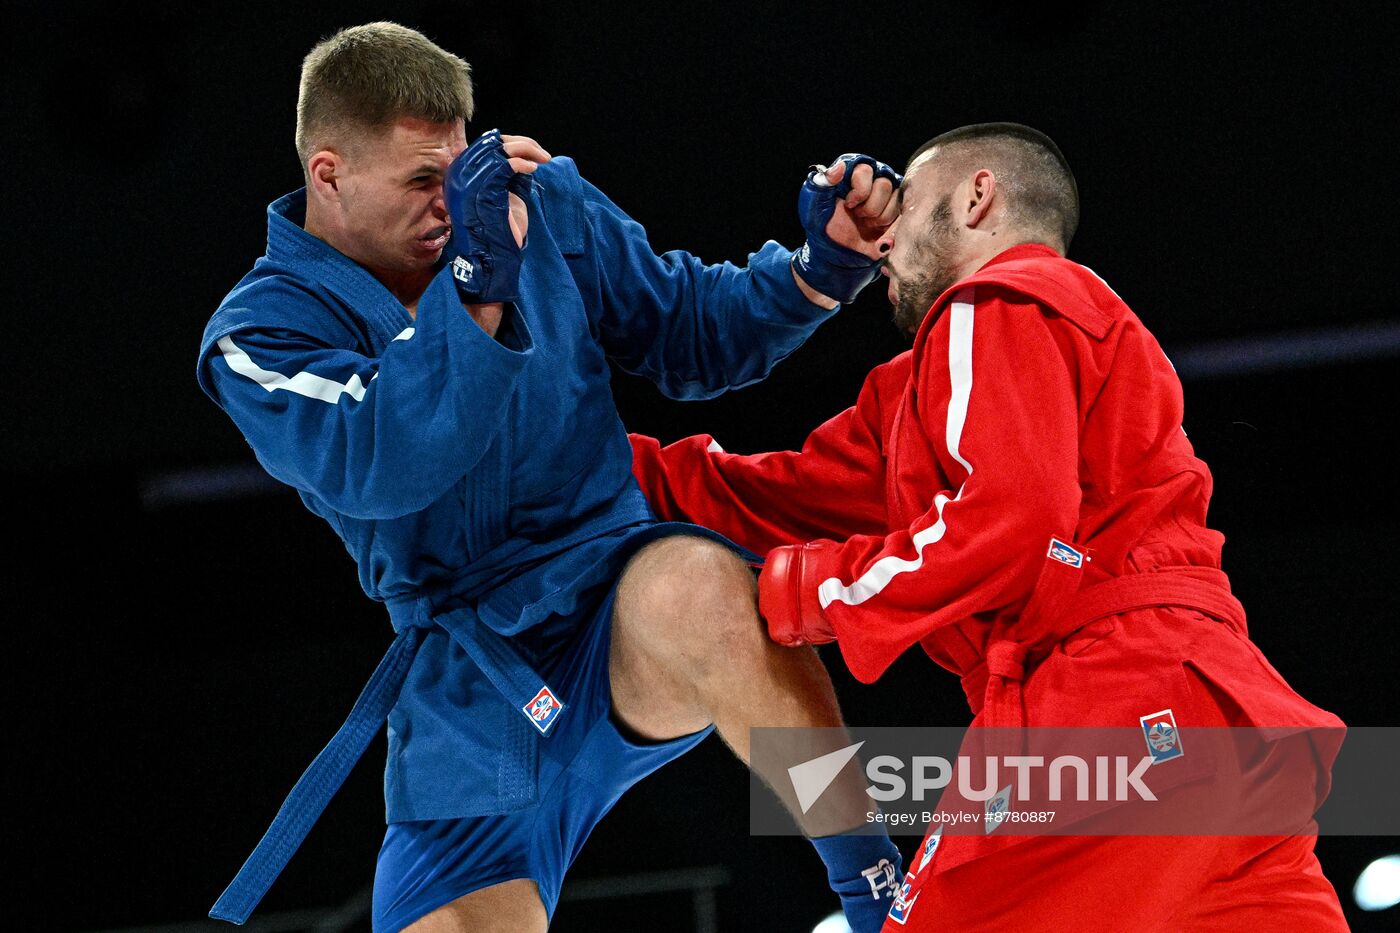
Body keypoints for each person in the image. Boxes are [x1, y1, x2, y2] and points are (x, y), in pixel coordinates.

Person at [195, 21, 907, 933]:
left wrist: (818, 271)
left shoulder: (535, 206)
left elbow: (686, 329)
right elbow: (380, 459)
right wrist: (477, 285)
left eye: (456, 174)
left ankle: (882, 898)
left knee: (702, 581)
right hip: (467, 684)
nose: (451, 205)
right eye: (421, 182)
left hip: (612, 596)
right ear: (328, 174)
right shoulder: (259, 334)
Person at [631, 122, 1350, 930]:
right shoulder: (929, 390)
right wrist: (583, 461)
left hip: (1110, 697)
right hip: (1222, 718)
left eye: (906, 202)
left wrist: (804, 592)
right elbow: (770, 499)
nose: (888, 232)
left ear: (977, 198)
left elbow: (1009, 526)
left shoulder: (999, 299)